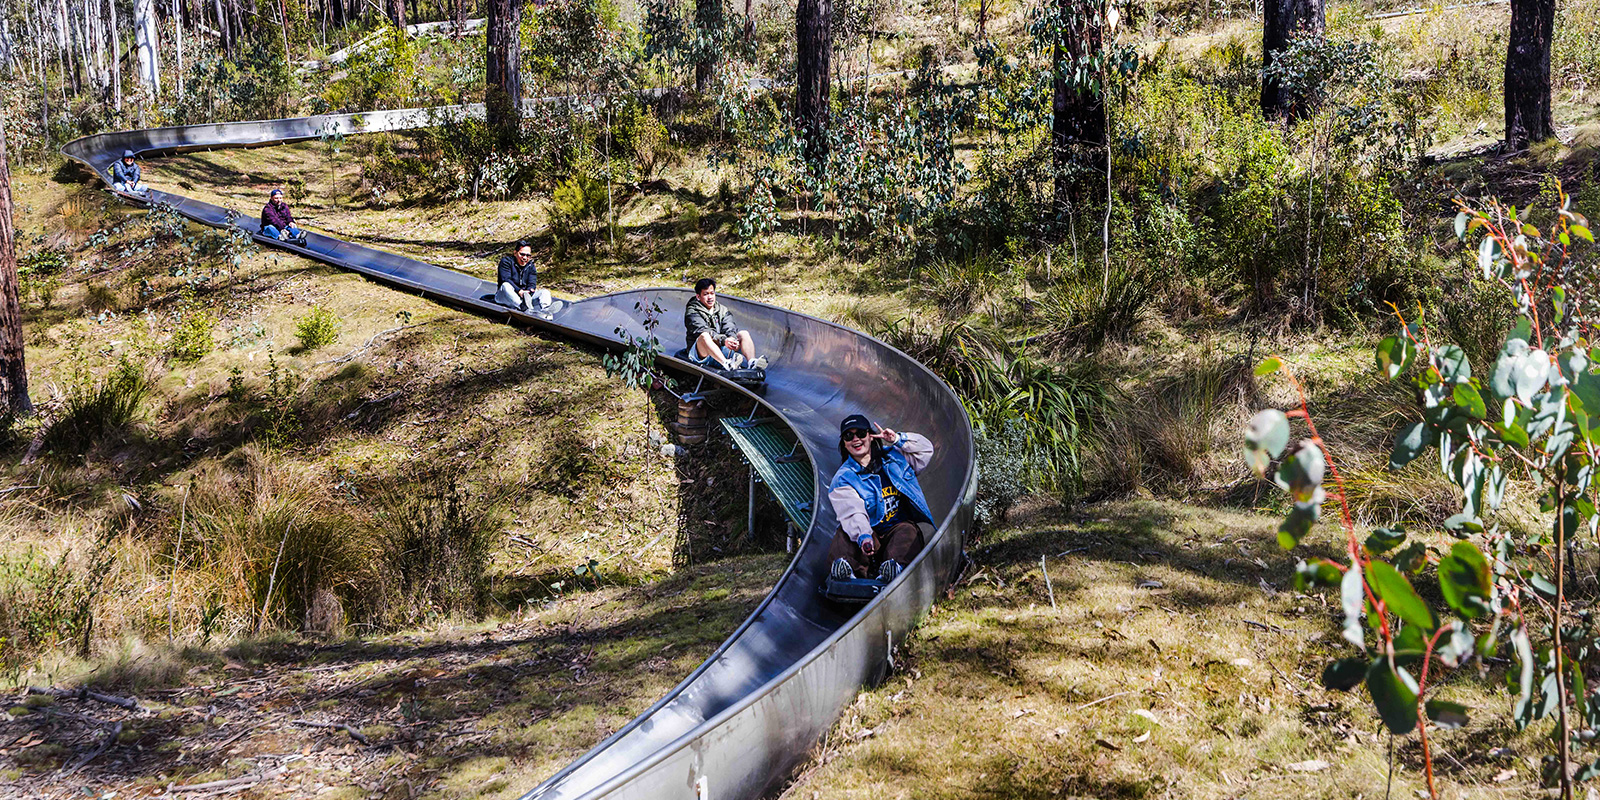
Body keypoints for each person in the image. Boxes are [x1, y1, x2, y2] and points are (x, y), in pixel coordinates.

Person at [826, 413, 934, 584]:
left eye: (861, 433)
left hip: (896, 529)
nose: (856, 440)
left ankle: (894, 568)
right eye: (849, 436)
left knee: (907, 531)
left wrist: (897, 439)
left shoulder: (894, 458)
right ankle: (846, 571)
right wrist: (864, 536)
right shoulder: (843, 478)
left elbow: (926, 450)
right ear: (844, 444)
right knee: (844, 533)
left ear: (870, 436)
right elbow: (852, 511)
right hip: (869, 533)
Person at [683, 278, 766, 371]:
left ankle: (752, 362)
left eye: (712, 293)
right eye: (706, 294)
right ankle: (727, 364)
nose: (710, 297)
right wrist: (723, 340)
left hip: (720, 347)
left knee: (744, 334)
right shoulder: (692, 311)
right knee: (705, 336)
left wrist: (731, 338)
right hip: (701, 353)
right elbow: (701, 329)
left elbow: (729, 326)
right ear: (698, 296)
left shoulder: (722, 310)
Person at [496, 241, 551, 312]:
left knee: (545, 292)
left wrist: (528, 292)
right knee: (505, 285)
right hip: (505, 297)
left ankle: (545, 310)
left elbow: (532, 284)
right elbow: (506, 279)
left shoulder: (531, 266)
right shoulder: (506, 262)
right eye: (522, 254)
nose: (525, 258)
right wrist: (519, 291)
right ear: (515, 253)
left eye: (528, 255)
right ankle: (523, 308)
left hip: (524, 298)